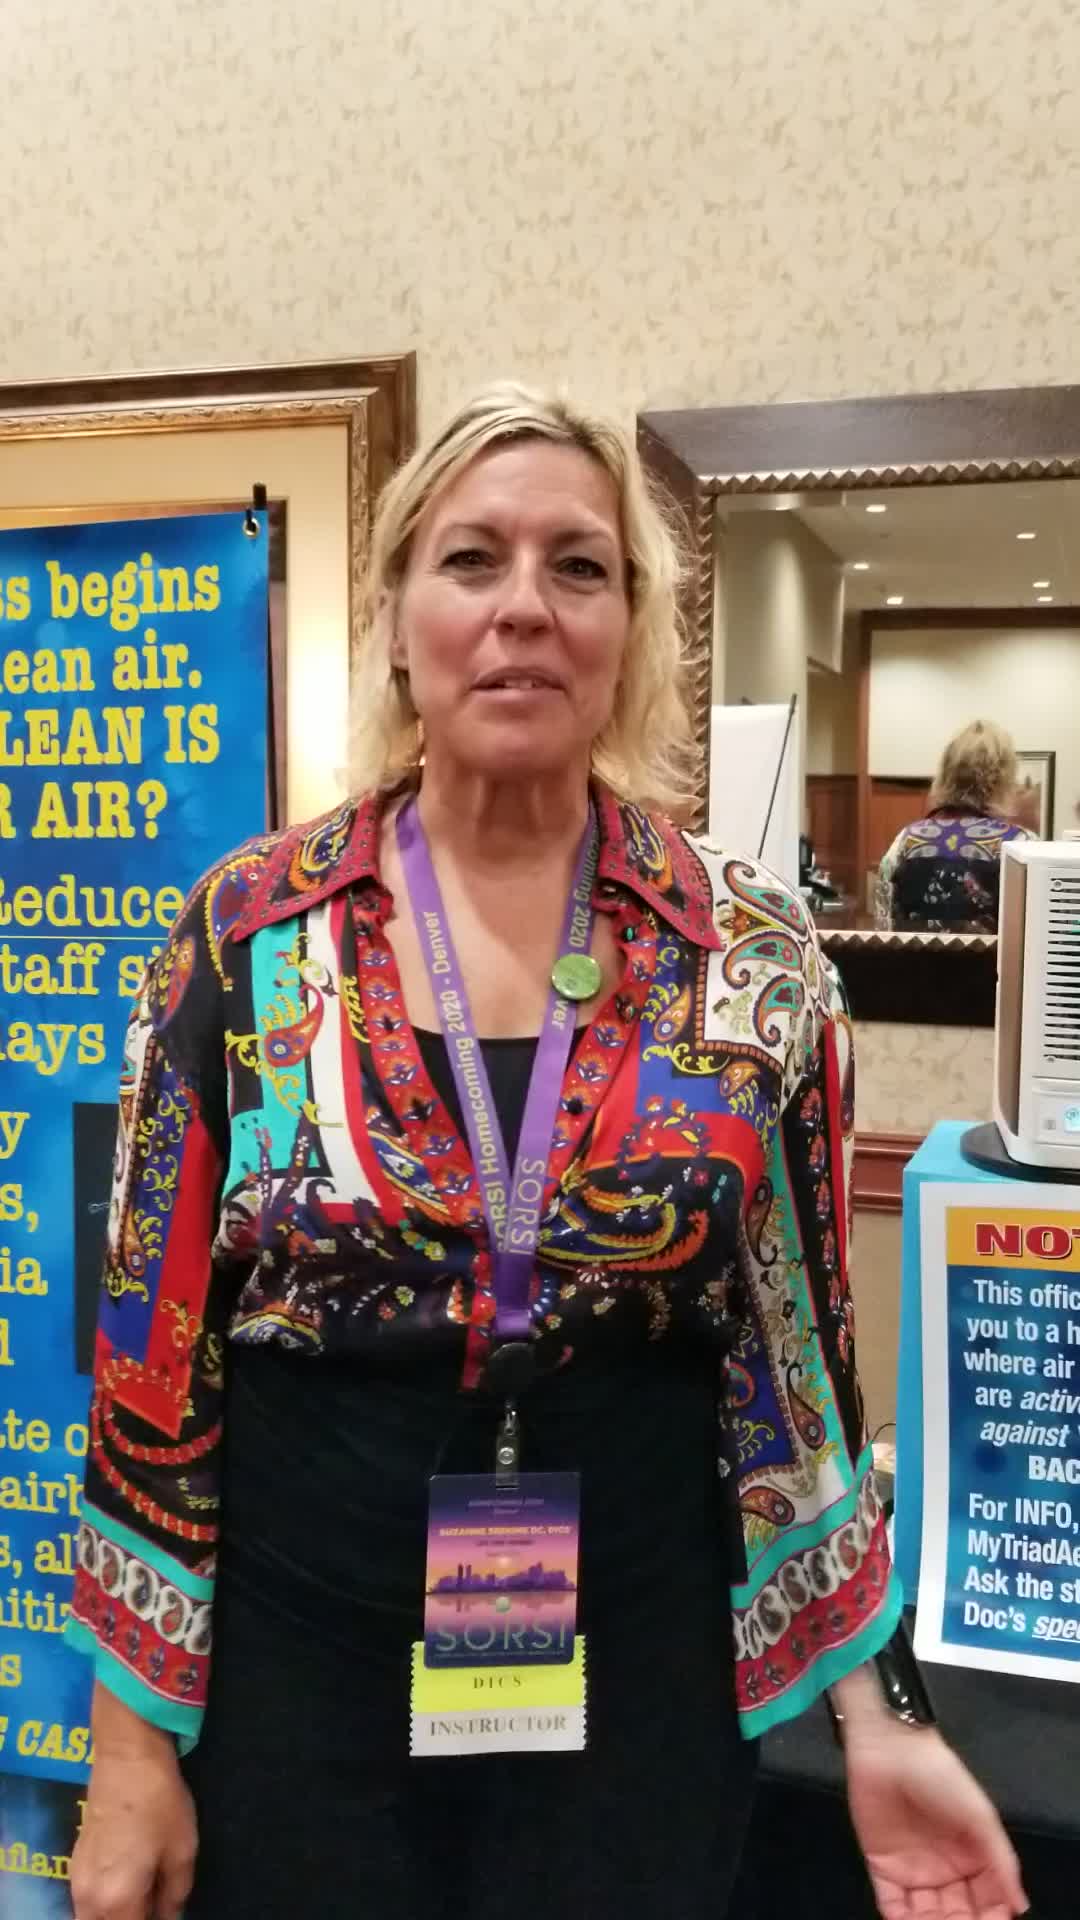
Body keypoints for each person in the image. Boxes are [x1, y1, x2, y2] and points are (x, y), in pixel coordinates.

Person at [68, 385, 1027, 1920]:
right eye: (472, 559)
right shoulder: (245, 934)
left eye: (578, 566)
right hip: (300, 1677)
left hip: (635, 1685)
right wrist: (128, 1754)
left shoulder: (749, 954)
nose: (524, 605)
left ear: (629, 629)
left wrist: (882, 1719)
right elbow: (149, 1365)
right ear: (397, 618)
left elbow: (797, 1378)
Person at [876, 720, 1037, 932]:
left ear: (945, 774)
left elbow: (884, 930)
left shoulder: (905, 841)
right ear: (1004, 779)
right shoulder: (1023, 846)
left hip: (913, 955)